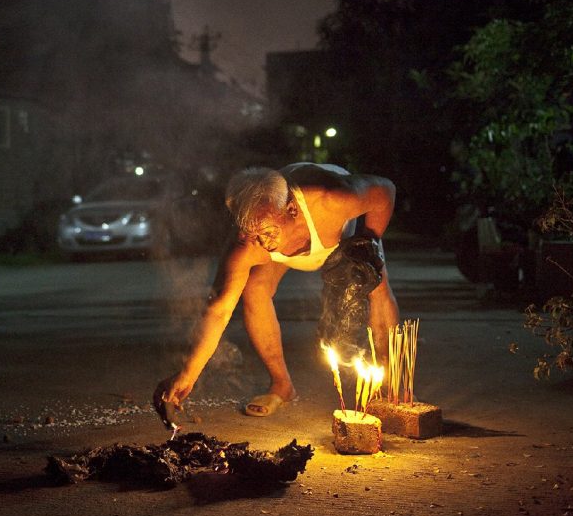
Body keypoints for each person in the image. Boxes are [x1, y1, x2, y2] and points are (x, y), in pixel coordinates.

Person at [156, 162, 399, 418]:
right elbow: (219, 310)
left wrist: (367, 241)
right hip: (290, 233)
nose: (262, 243)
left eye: (267, 233)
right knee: (254, 288)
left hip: (343, 232)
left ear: (291, 209)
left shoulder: (333, 198)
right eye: (252, 234)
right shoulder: (249, 242)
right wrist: (188, 374)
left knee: (378, 285)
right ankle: (282, 386)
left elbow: (385, 192)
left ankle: (391, 388)